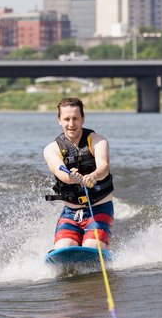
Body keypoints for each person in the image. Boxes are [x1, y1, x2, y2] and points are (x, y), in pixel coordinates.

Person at [44, 97, 114, 250]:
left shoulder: (98, 141)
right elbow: (59, 170)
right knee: (65, 247)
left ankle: (99, 245)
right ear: (59, 120)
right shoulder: (51, 149)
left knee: (91, 245)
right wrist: (71, 177)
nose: (71, 124)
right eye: (66, 119)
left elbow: (104, 167)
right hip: (71, 213)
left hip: (99, 209)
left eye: (75, 118)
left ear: (83, 119)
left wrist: (92, 176)